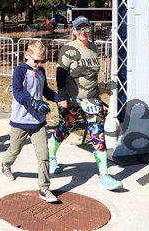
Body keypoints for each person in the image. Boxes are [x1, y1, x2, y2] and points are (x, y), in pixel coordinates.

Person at [48, 16, 123, 191]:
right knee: (65, 129)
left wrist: (99, 92)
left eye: (86, 28)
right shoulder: (68, 49)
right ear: (74, 31)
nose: (83, 31)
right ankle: (51, 155)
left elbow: (91, 76)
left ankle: (104, 176)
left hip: (91, 99)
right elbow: (60, 75)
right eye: (79, 28)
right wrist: (62, 96)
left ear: (90, 29)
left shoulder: (94, 48)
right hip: (72, 99)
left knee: (98, 134)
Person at [1, 40, 62, 203]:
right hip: (20, 121)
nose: (39, 64)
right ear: (26, 56)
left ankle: (44, 188)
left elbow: (46, 91)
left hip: (38, 122)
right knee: (14, 149)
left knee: (44, 155)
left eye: (43, 61)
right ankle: (5, 165)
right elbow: (18, 93)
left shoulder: (41, 71)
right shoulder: (20, 71)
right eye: (37, 61)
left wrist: (58, 98)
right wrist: (34, 103)